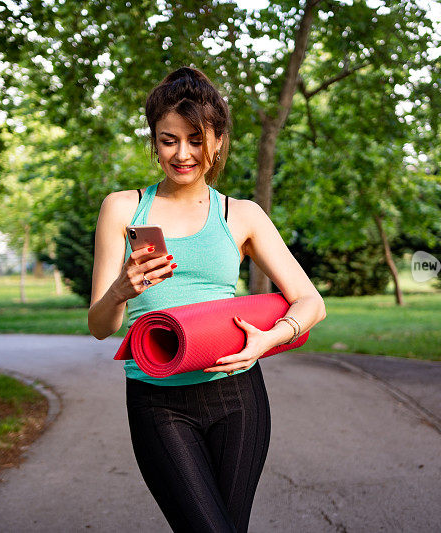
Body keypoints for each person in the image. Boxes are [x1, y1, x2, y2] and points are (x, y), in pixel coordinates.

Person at [87, 66, 326, 533]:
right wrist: (122, 288)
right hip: (158, 403)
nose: (182, 154)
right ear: (153, 142)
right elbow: (101, 326)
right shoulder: (122, 207)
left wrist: (269, 341)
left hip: (238, 397)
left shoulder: (243, 215)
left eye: (196, 139)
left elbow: (310, 303)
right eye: (168, 140)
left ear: (217, 140)